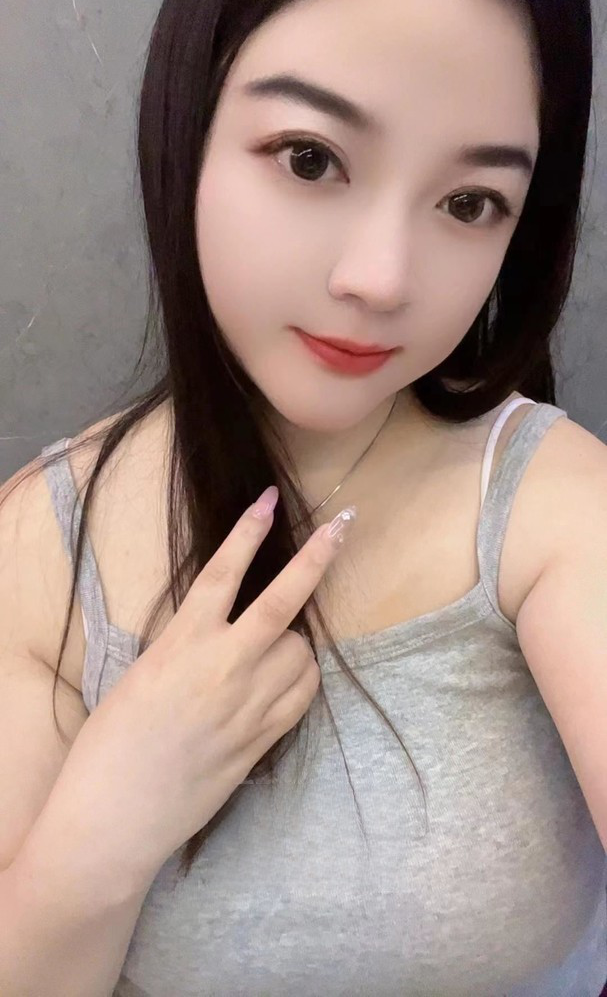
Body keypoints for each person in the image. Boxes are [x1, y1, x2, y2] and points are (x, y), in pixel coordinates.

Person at [1, 0, 606, 993]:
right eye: (310, 159)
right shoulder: (44, 541)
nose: (381, 279)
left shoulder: (556, 507)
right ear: (188, 127)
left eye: (468, 203)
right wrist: (109, 816)